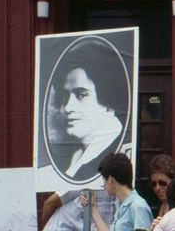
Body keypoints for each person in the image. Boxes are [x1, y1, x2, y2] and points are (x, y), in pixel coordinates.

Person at [46, 38, 130, 184]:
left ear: (107, 99)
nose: (67, 107)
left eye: (81, 95)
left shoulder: (112, 152)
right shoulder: (77, 155)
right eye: (65, 96)